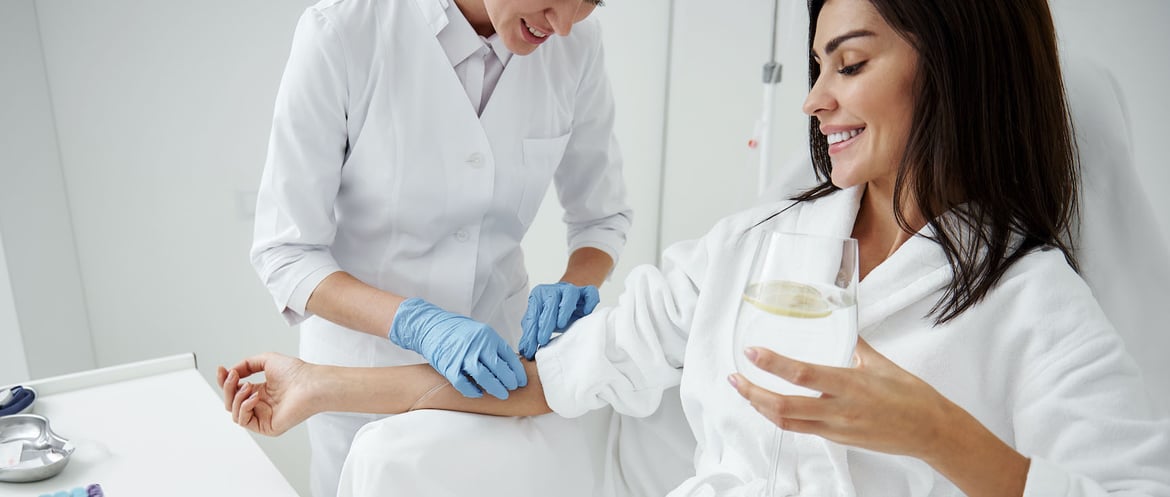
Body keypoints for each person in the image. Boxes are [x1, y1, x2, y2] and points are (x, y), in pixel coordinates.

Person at [228, 0, 1170, 495]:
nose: (812, 99)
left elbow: (1132, 489)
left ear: (957, 66)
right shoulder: (762, 245)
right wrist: (324, 386)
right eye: (816, 67)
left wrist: (935, 432)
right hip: (383, 348)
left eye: (848, 63)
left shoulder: (1032, 302)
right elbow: (557, 374)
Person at [247, 0, 633, 495]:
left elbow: (602, 218)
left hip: (497, 372)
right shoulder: (342, 31)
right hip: (362, 374)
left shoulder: (576, 44)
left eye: (589, 3)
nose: (560, 26)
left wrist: (574, 284)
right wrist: (417, 322)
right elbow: (286, 252)